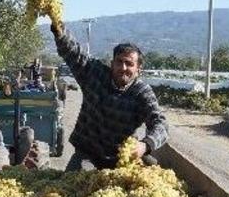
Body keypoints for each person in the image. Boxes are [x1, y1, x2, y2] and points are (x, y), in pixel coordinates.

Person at [50, 18, 168, 170]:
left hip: (120, 156)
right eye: (119, 62)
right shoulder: (95, 74)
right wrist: (59, 29)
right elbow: (73, 53)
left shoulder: (142, 93)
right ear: (112, 64)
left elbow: (161, 124)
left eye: (129, 64)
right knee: (79, 180)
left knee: (153, 174)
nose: (123, 68)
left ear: (139, 69)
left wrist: (145, 145)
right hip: (87, 153)